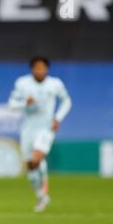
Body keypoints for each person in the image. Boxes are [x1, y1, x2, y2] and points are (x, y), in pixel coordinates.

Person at [8, 56, 72, 212]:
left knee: (36, 159)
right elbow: (11, 104)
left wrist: (58, 118)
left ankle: (43, 188)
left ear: (47, 69)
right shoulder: (22, 83)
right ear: (32, 69)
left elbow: (67, 101)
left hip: (46, 129)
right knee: (31, 167)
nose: (40, 70)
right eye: (37, 67)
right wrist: (25, 103)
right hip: (28, 129)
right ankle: (42, 196)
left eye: (42, 67)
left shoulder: (55, 84)